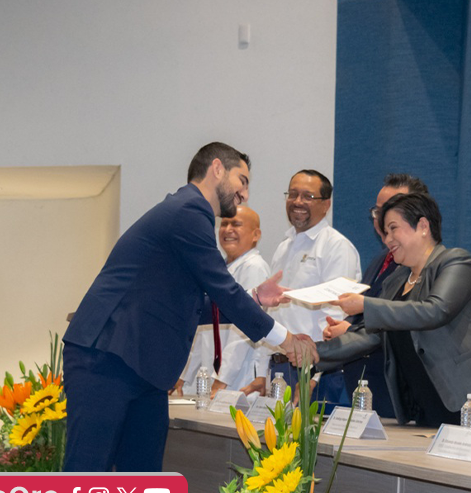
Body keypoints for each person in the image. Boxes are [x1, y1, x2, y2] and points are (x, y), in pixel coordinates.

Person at [62, 142, 316, 472]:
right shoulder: (188, 212)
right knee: (87, 475)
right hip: (107, 357)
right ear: (217, 169)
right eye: (243, 180)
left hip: (140, 365)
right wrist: (286, 340)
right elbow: (223, 290)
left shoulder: (186, 214)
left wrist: (255, 299)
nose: (245, 194)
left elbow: (196, 305)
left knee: (142, 482)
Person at [318, 193, 471, 436]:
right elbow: (370, 335)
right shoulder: (395, 282)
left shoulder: (456, 262)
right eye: (385, 231)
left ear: (423, 226)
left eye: (394, 229)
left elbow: (435, 310)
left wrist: (366, 305)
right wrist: (313, 353)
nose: (387, 239)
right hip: (431, 403)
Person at [323, 173, 430, 418]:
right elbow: (367, 312)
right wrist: (345, 326)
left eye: (392, 210)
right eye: (378, 211)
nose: (382, 220)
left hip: (397, 395)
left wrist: (348, 334)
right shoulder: (380, 261)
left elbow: (409, 328)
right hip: (364, 389)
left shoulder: (426, 268)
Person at [268, 169, 361, 405]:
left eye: (308, 196)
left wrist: (314, 376)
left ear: (326, 204)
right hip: (279, 368)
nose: (298, 202)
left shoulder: (336, 247)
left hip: (314, 373)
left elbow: (333, 319)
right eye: (293, 194)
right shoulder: (284, 246)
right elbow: (273, 315)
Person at [174, 206, 272, 396]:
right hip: (212, 374)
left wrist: (222, 379)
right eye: (224, 224)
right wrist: (184, 375)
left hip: (237, 378)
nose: (228, 230)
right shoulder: (222, 270)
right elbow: (202, 331)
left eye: (236, 224)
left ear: (256, 234)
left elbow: (243, 330)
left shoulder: (254, 267)